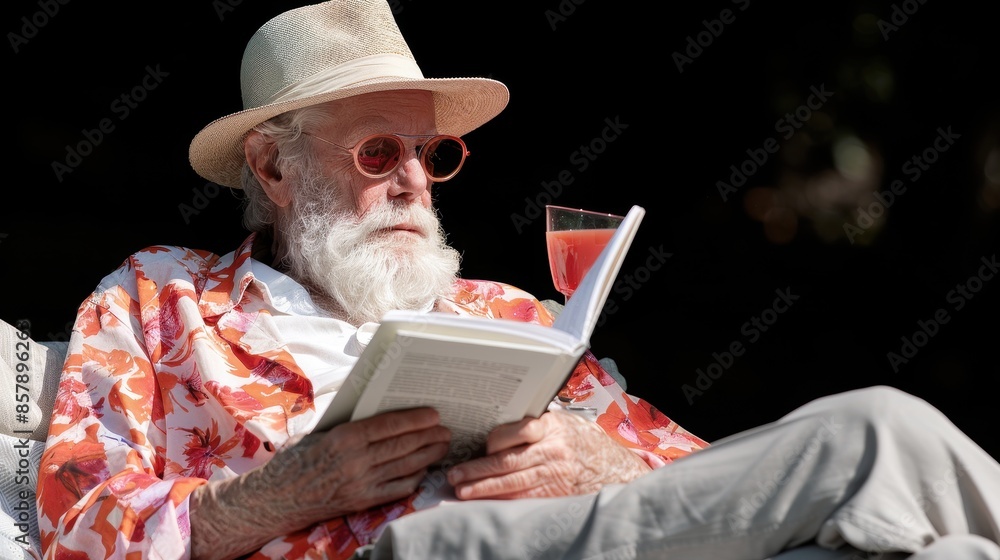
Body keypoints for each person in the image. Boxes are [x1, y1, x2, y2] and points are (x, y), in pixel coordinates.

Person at [34, 1, 1000, 560]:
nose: (415, 181)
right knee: (873, 434)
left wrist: (598, 463)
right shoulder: (161, 298)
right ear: (274, 168)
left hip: (582, 539)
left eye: (433, 154)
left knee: (930, 526)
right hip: (412, 552)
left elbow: (706, 481)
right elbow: (78, 528)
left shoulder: (503, 313)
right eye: (379, 152)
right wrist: (286, 491)